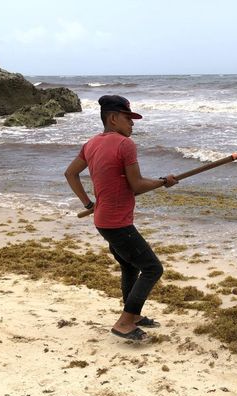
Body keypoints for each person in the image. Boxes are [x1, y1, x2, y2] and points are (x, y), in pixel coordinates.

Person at [65, 95, 178, 341]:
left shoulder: (91, 144)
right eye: (128, 118)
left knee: (129, 265)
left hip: (103, 221)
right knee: (152, 268)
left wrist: (88, 203)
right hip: (118, 223)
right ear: (113, 118)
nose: (132, 124)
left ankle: (134, 315)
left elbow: (70, 173)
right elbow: (136, 185)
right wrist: (163, 181)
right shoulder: (125, 145)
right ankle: (125, 322)